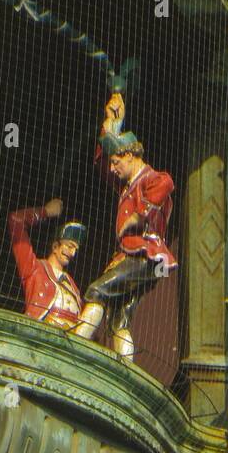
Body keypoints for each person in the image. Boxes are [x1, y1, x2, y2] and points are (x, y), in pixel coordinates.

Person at [75, 92, 176, 360]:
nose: (112, 167)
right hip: (142, 258)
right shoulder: (126, 183)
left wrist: (139, 216)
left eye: (117, 161)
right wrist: (111, 124)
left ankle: (73, 347)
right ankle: (125, 364)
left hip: (144, 252)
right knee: (119, 316)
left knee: (96, 290)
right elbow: (101, 164)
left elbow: (166, 184)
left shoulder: (151, 178)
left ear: (131, 155)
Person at [7, 199, 89, 330]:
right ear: (55, 246)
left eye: (75, 249)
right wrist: (46, 212)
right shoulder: (34, 268)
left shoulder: (73, 286)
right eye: (69, 246)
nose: (73, 253)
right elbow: (16, 220)